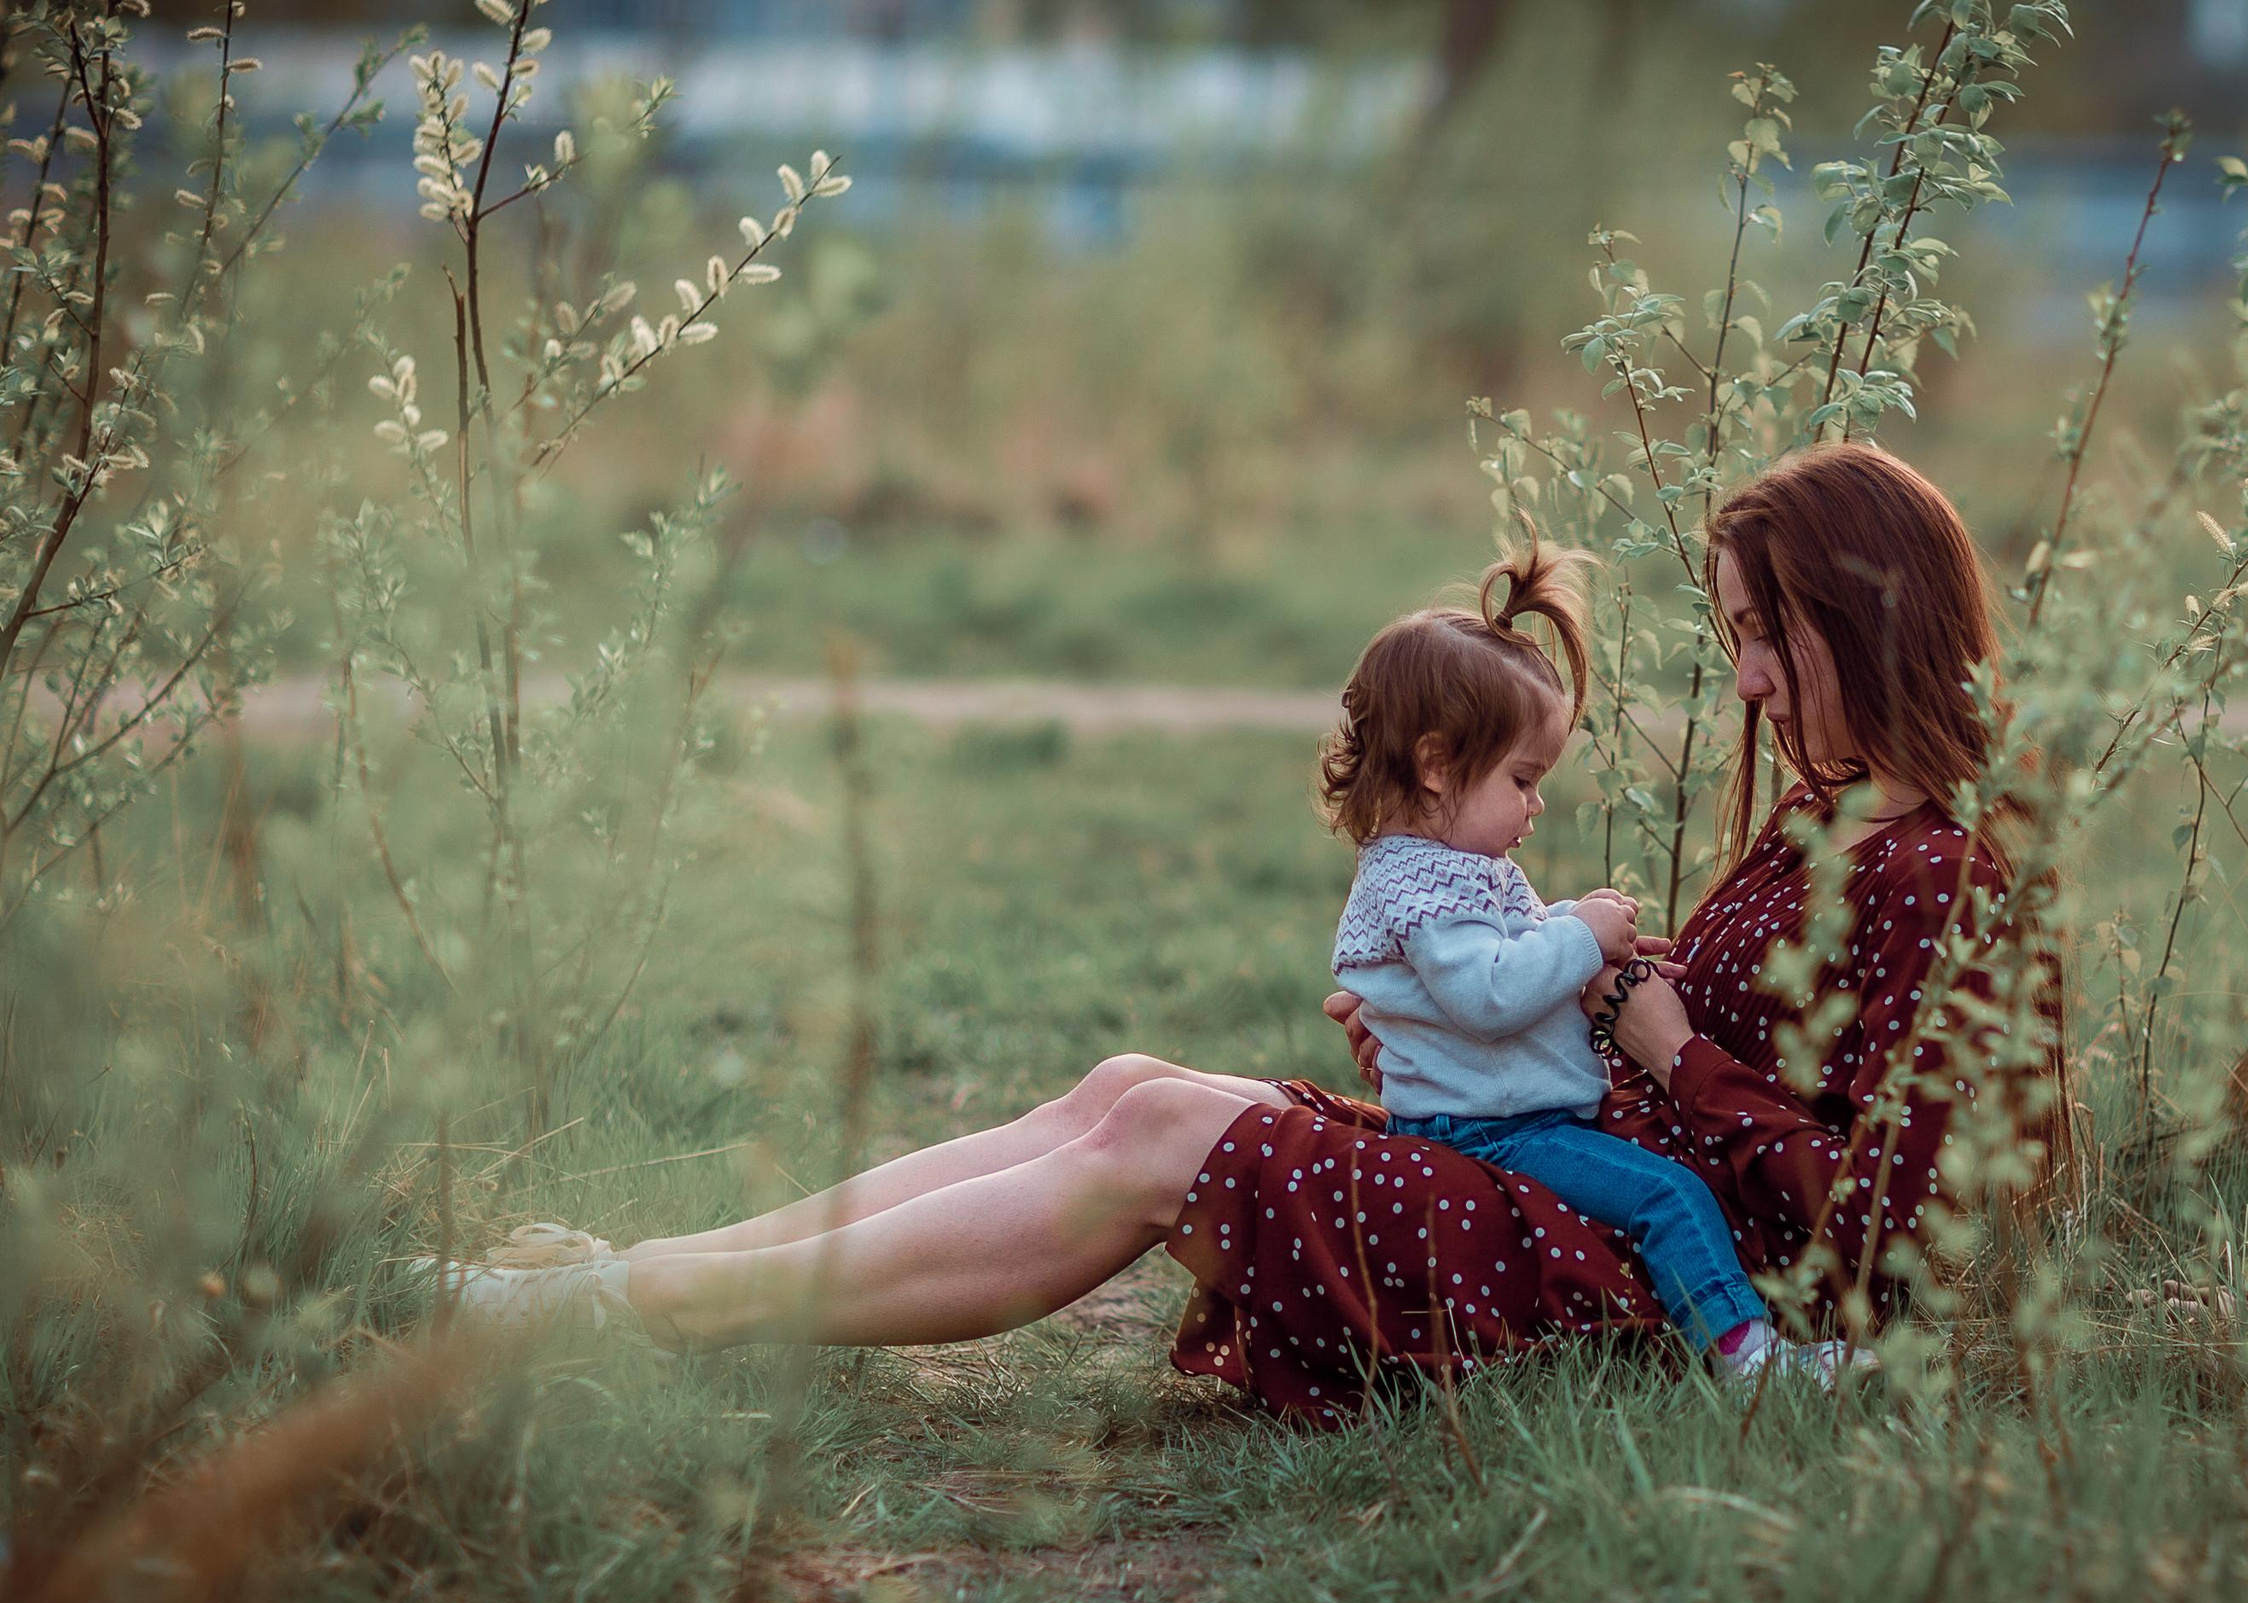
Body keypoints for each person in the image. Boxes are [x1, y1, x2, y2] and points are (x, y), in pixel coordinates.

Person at [438, 441, 2057, 1424]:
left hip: (1665, 1275)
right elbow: (1656, 1044)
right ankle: (638, 1270)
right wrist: (1480, 1023)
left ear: (1868, 619)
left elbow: (1891, 1232)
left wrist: (1678, 1054)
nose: (1752, 681)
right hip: (1563, 1170)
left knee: (1162, 1141)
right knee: (1125, 1084)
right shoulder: (1822, 818)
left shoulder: (1941, 877)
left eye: (1771, 637)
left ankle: (626, 1313)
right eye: (1741, 636)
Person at [1318, 535, 1866, 1384]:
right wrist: (1579, 939)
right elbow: (1487, 993)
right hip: (1495, 1130)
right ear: (1436, 766)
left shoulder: (1442, 865)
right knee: (1666, 1195)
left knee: (1651, 1194)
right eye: (1522, 780)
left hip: (1498, 1117)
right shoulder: (1427, 885)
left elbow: (1502, 946)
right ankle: (1745, 1354)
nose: (1536, 805)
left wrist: (1580, 930)